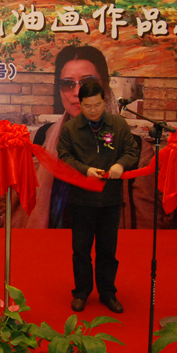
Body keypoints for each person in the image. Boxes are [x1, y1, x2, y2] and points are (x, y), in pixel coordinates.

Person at [13, 45, 118, 229]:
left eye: (87, 82)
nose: (77, 92)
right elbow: (21, 211)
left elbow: (144, 226)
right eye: (68, 84)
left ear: (105, 85)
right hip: (49, 243)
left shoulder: (135, 148)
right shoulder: (41, 139)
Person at [57, 81, 139, 313]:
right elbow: (63, 155)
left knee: (107, 250)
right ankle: (81, 292)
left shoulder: (118, 124)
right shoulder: (71, 128)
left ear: (105, 102)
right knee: (81, 250)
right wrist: (85, 170)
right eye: (87, 106)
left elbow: (132, 151)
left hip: (110, 198)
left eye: (97, 105)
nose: (93, 110)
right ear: (80, 104)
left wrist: (121, 165)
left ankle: (108, 293)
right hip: (81, 199)